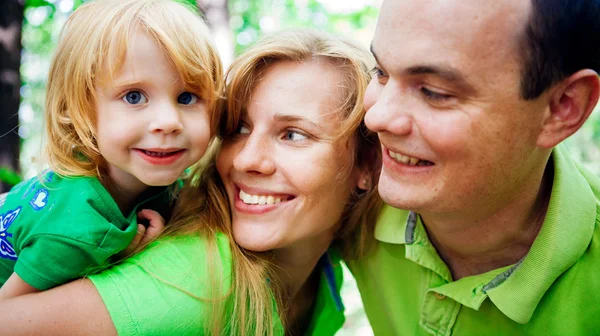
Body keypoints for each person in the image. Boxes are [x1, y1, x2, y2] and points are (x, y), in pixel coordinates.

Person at [0, 29, 382, 335]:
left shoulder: (327, 275)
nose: (247, 159)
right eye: (238, 128)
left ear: (366, 164)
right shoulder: (194, 287)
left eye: (293, 135)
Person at [347, 0, 600, 334]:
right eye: (380, 73)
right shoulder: (350, 187)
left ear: (562, 108)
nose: (378, 117)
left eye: (434, 92)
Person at [0, 0, 223, 300]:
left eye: (187, 97)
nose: (169, 122)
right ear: (81, 112)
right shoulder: (77, 230)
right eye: (134, 96)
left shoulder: (151, 181)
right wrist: (115, 262)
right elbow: (9, 316)